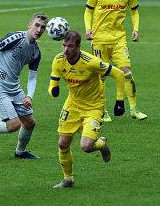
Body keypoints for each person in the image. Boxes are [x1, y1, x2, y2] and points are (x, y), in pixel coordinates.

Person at [48, 30, 125, 189]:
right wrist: (53, 90)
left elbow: (118, 74)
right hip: (73, 105)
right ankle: (68, 180)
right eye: (64, 45)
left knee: (86, 147)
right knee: (62, 144)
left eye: (70, 46)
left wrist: (120, 101)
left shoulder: (91, 62)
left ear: (78, 47)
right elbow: (52, 83)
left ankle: (101, 144)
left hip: (94, 107)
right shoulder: (58, 60)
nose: (66, 50)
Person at [0, 13, 48, 159]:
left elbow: (32, 77)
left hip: (14, 88)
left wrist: (29, 96)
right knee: (14, 124)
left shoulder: (36, 52)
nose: (39, 30)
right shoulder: (15, 38)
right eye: (37, 25)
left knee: (29, 122)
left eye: (43, 28)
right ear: (29, 25)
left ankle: (20, 152)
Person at [84, 0, 147, 121]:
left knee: (127, 73)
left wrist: (135, 29)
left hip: (119, 40)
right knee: (100, 77)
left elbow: (134, 12)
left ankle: (133, 109)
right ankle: (101, 110)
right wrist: (88, 29)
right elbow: (88, 11)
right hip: (99, 40)